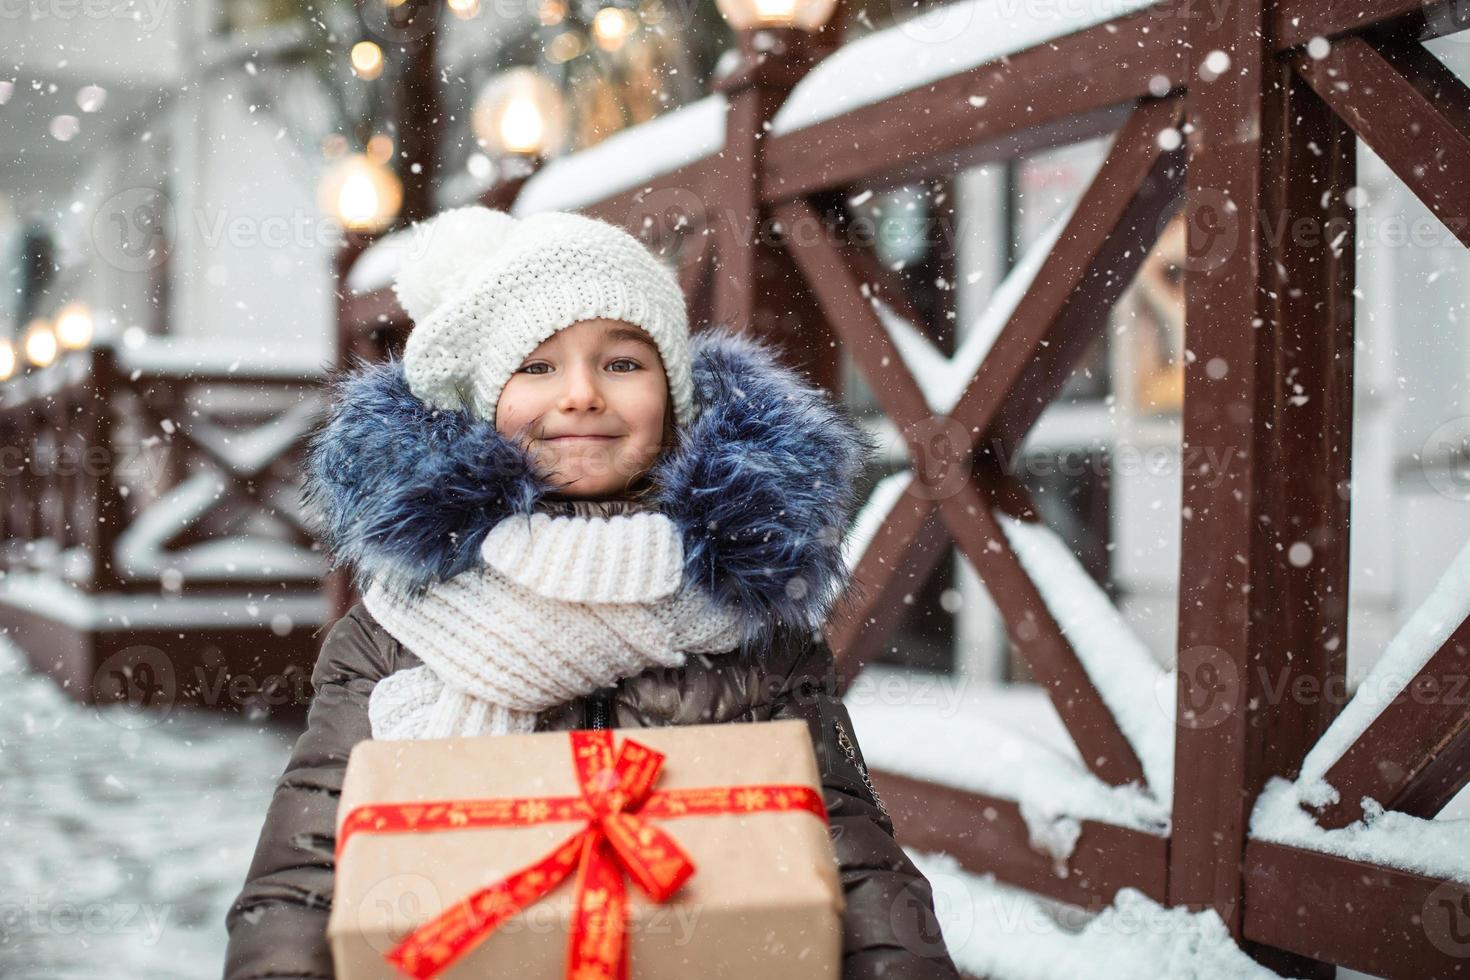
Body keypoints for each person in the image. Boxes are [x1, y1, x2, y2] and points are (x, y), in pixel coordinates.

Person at [222, 205, 961, 980]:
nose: (580, 394)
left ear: (672, 397)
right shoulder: (397, 627)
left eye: (622, 363)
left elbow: (846, 840)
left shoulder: (748, 619)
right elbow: (305, 866)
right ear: (483, 402)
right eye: (537, 367)